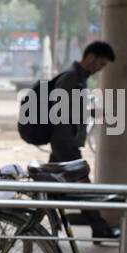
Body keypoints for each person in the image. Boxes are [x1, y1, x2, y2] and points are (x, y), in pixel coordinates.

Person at [47, 40, 119, 242]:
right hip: (64, 143)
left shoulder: (79, 78)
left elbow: (72, 109)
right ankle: (99, 228)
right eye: (101, 64)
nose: (100, 69)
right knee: (82, 185)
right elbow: (59, 112)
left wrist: (93, 112)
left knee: (48, 187)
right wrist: (68, 146)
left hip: (64, 143)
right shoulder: (71, 78)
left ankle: (39, 222)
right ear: (90, 57)